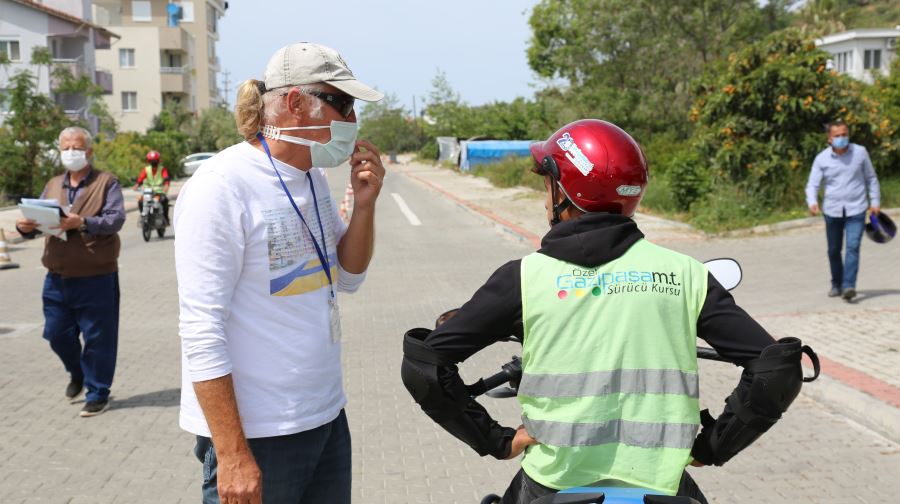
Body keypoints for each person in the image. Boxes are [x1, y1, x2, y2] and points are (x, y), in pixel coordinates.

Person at [402, 120, 815, 504]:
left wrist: (494, 439)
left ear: (563, 191)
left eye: (548, 181)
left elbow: (424, 367)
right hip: (661, 487)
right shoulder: (685, 275)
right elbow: (777, 369)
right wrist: (715, 445)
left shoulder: (524, 278)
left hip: (554, 485)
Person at [175, 42, 385, 504]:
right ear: (294, 103)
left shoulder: (311, 177)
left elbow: (347, 277)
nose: (352, 121)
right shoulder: (221, 188)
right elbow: (200, 329)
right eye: (343, 104)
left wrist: (365, 205)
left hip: (325, 418)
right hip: (259, 437)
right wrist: (231, 455)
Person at [15, 126, 126, 417]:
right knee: (55, 333)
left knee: (98, 338)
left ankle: (97, 391)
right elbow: (38, 219)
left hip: (96, 276)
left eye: (75, 147)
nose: (70, 152)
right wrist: (24, 228)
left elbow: (115, 220)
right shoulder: (53, 184)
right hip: (56, 276)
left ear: (88, 151)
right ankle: (77, 372)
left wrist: (83, 222)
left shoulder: (106, 182)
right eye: (65, 148)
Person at [806, 120, 881, 301]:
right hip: (832, 211)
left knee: (853, 247)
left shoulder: (860, 153)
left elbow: (871, 178)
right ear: (830, 138)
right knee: (833, 250)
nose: (842, 138)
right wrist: (812, 201)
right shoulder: (821, 159)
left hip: (857, 209)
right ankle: (836, 284)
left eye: (844, 134)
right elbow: (813, 184)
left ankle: (849, 286)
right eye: (837, 135)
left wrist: (875, 201)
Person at [134, 150, 171, 223]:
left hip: (159, 191)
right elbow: (141, 178)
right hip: (148, 191)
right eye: (152, 160)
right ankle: (143, 215)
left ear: (158, 160)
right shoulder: (146, 169)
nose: (154, 162)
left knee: (164, 200)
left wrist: (166, 185)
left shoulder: (162, 169)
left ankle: (165, 217)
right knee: (141, 201)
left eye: (155, 160)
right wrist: (137, 184)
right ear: (149, 161)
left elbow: (166, 178)